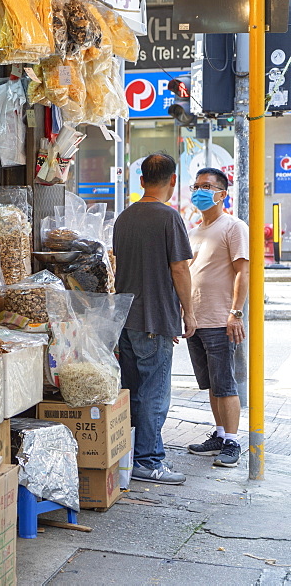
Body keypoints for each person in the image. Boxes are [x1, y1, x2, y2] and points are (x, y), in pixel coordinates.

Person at [113, 152, 195, 485]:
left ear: (142, 180)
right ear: (173, 181)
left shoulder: (124, 218)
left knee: (132, 390)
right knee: (154, 393)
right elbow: (180, 268)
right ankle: (148, 460)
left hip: (125, 319)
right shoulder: (168, 218)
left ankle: (133, 454)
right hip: (154, 318)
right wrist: (189, 312)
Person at [184, 167, 249, 467]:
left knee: (225, 385)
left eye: (207, 186)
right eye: (197, 185)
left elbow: (243, 272)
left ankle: (233, 442)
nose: (200, 191)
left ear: (222, 194)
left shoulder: (233, 227)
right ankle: (220, 435)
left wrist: (235, 313)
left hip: (221, 321)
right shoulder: (194, 229)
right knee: (211, 384)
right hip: (196, 320)